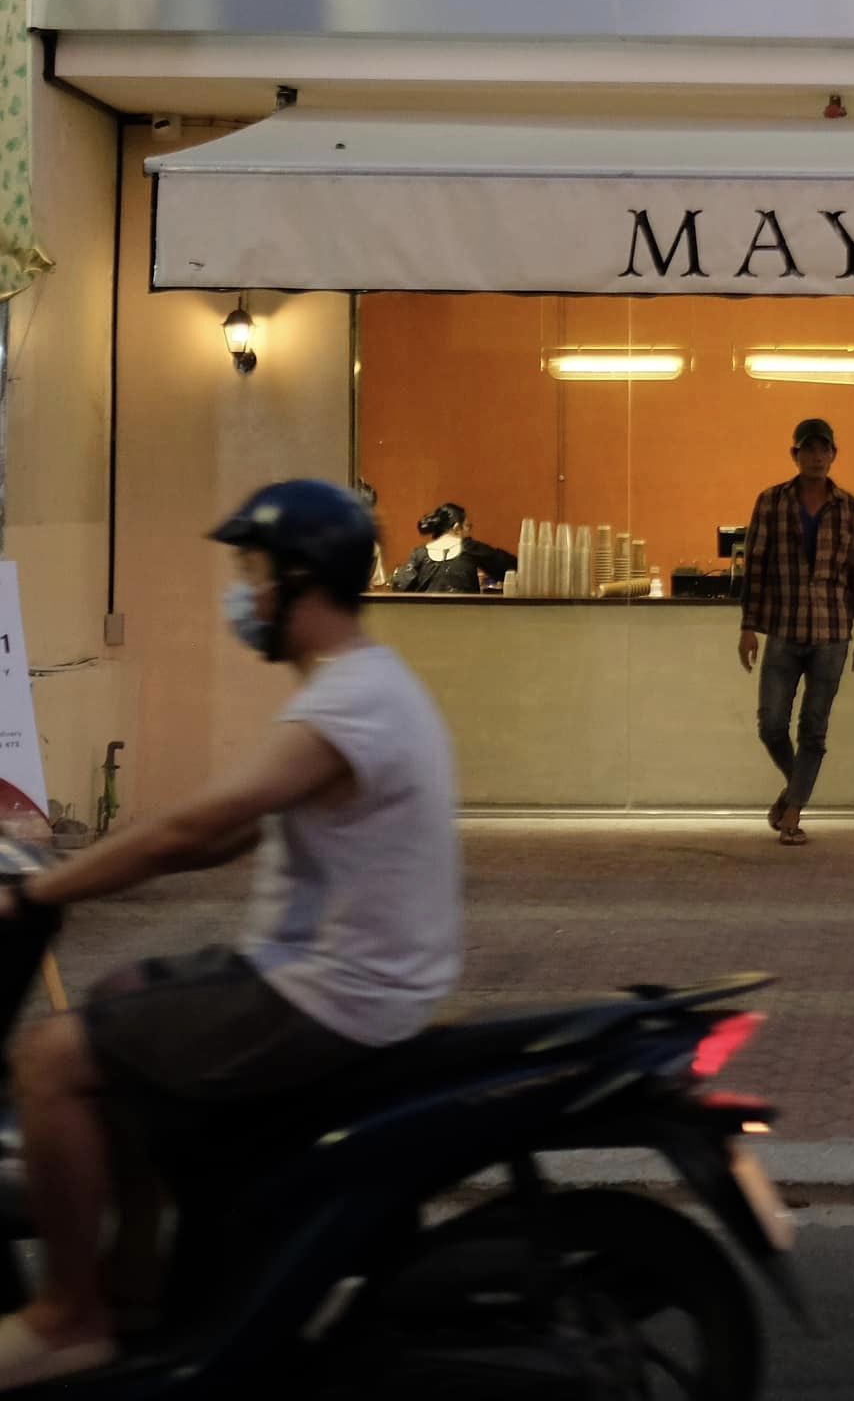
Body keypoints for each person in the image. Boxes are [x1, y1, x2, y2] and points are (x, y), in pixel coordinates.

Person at [0, 480, 462, 1391]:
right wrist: (97, 867)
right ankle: (138, 1288)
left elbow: (194, 829)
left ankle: (69, 1319)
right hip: (335, 980)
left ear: (301, 581)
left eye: (252, 574)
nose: (242, 597)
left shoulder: (349, 701)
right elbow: (227, 833)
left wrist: (43, 890)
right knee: (123, 1002)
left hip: (326, 992)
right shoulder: (359, 689)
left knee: (51, 1058)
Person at [738, 418, 854, 847]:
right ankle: (796, 786)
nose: (817, 457)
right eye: (808, 449)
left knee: (814, 728)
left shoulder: (849, 508)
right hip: (784, 627)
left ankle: (793, 813)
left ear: (834, 454)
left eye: (823, 449)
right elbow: (755, 568)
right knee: (771, 724)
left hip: (832, 632)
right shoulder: (771, 502)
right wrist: (748, 626)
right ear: (794, 454)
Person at [390, 502, 517, 594]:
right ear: (457, 528)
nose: (470, 532)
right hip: (464, 618)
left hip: (425, 618)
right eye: (468, 526)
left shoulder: (419, 554)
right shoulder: (470, 548)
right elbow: (508, 566)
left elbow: (400, 585)